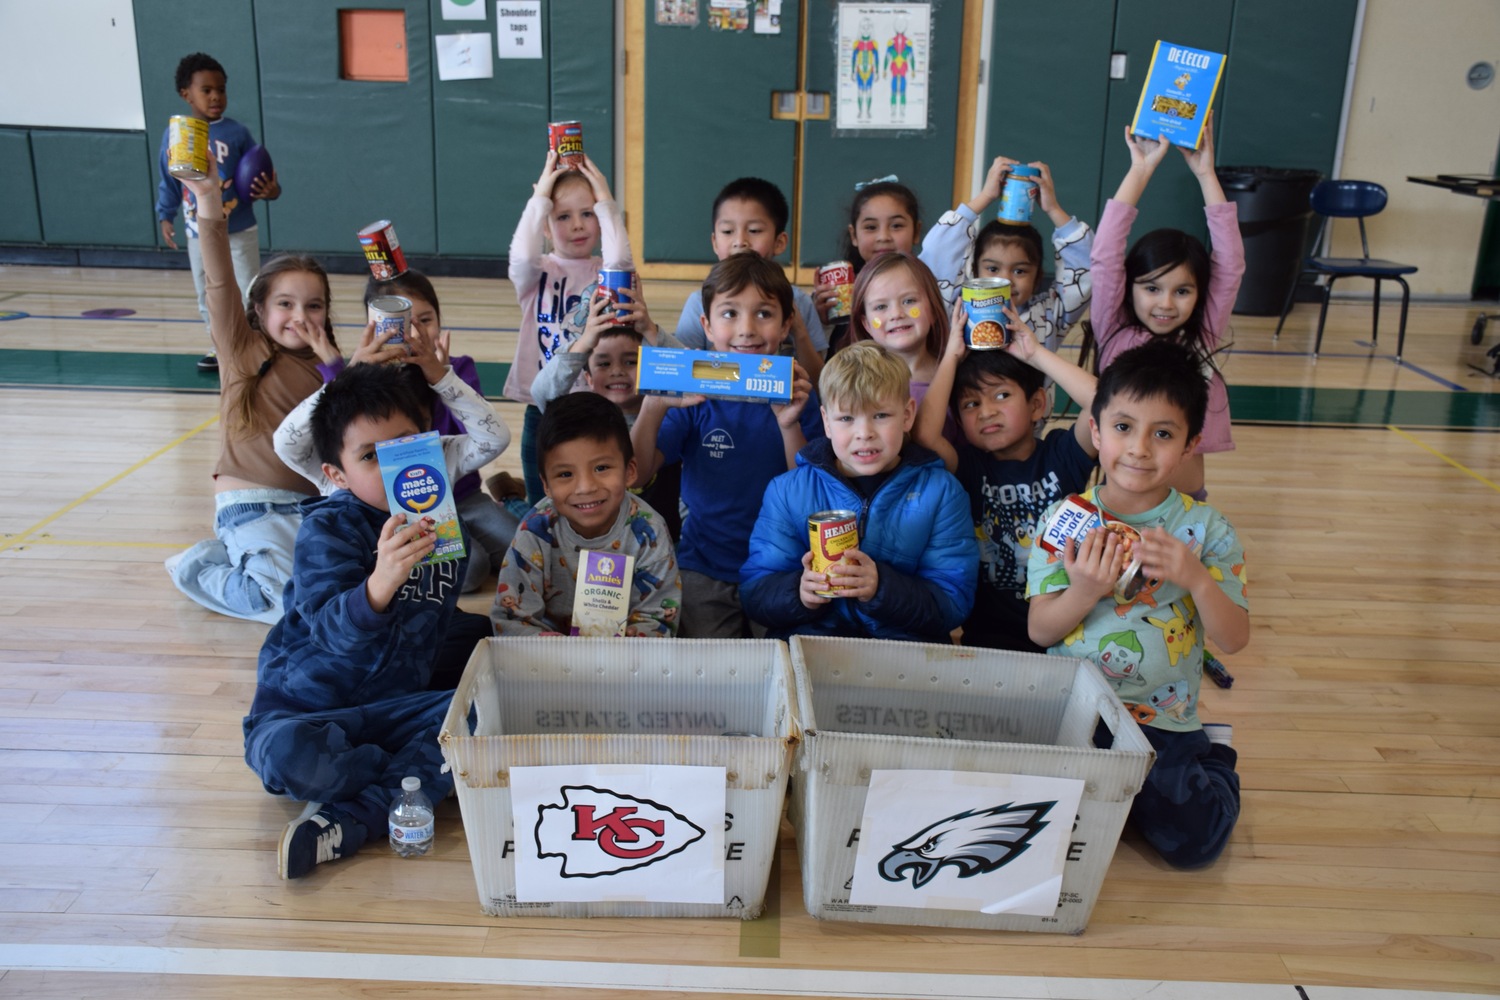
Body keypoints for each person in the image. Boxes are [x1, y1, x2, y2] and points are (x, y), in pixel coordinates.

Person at [244, 363, 497, 879]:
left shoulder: (444, 527)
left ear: (432, 444)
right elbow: (330, 631)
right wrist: (380, 582)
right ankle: (404, 785)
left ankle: (349, 818)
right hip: (306, 712)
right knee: (287, 755)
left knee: (486, 710)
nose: (394, 467)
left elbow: (431, 625)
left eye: (406, 446)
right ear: (335, 476)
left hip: (393, 707)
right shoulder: (329, 527)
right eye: (369, 457)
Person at [1026, 339, 1249, 869]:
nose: (1140, 448)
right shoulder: (1066, 517)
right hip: (1071, 714)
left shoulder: (1206, 529)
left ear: (1191, 444)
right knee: (1043, 833)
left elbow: (1234, 639)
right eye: (1123, 427)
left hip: (1161, 720)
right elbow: (1039, 632)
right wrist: (1083, 590)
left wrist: (1195, 578)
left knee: (1191, 848)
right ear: (1097, 430)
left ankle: (1213, 759)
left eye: (1163, 434)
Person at [286, 269, 518, 593]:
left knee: (525, 547)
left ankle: (510, 501)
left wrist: (441, 376)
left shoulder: (451, 374)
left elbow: (491, 436)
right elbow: (290, 441)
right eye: (401, 325)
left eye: (425, 320)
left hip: (463, 495)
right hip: (407, 523)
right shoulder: (344, 464)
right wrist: (349, 371)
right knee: (470, 568)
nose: (414, 333)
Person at [163, 164, 324, 624]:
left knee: (328, 598)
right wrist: (209, 200)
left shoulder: (330, 369)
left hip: (309, 511)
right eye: (285, 304)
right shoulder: (241, 347)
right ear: (259, 309)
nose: (299, 316)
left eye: (313, 305)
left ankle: (247, 556)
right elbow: (218, 279)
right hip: (250, 507)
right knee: (282, 607)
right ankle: (198, 566)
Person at [631, 252, 820, 638]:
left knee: (781, 657)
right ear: (707, 326)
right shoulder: (694, 396)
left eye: (764, 314)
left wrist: (788, 424)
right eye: (730, 313)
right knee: (708, 672)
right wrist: (653, 405)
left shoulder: (800, 396)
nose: (746, 329)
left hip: (781, 562)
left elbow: (807, 494)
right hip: (705, 562)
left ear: (786, 325)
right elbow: (638, 471)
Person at [740, 341, 976, 641]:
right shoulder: (787, 492)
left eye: (880, 416)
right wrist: (800, 593)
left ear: (907, 415)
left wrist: (882, 588)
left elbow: (954, 601)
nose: (864, 433)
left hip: (904, 657)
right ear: (826, 422)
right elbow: (754, 593)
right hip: (812, 651)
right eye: (846, 419)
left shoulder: (942, 493)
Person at [914, 299, 1100, 652]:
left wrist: (1034, 354)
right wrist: (951, 357)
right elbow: (924, 436)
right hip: (988, 635)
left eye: (1002, 395)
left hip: (1065, 629)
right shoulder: (969, 466)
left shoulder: (1062, 455)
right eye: (971, 404)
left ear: (1037, 405)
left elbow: (1105, 404)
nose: (987, 412)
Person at [1089, 113, 1243, 501]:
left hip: (1186, 509)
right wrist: (1139, 170)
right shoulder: (1113, 327)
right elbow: (1106, 254)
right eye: (1152, 287)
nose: (1166, 304)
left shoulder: (1202, 335)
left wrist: (1206, 175)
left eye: (1182, 291)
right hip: (1121, 506)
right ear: (1131, 287)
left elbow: (1230, 263)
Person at [491, 392, 681, 638]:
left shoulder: (649, 529)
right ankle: (510, 499)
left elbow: (660, 615)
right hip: (548, 661)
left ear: (630, 471)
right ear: (546, 485)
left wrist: (636, 639)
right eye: (565, 474)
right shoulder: (534, 531)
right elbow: (510, 617)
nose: (586, 487)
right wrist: (543, 645)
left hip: (623, 661)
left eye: (601, 468)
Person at [502, 151, 629, 512]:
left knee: (587, 494)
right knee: (540, 504)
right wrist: (540, 197)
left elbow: (621, 259)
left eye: (588, 213)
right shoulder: (535, 274)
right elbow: (521, 255)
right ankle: (510, 501)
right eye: (563, 216)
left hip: (594, 403)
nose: (578, 225)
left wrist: (605, 197)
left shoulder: (607, 271)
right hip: (543, 405)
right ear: (546, 224)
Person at [154, 52, 280, 372]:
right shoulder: (175, 135)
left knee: (250, 287)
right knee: (206, 290)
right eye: (206, 90)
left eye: (221, 89)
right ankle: (219, 346)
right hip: (198, 232)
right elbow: (168, 179)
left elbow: (262, 178)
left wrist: (272, 191)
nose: (215, 96)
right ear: (186, 94)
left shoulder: (237, 134)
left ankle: (257, 343)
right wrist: (165, 214)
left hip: (239, 227)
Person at [530, 285, 684, 540]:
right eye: (603, 363)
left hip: (655, 542)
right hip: (588, 536)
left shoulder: (669, 414)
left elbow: (691, 375)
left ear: (651, 367)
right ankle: (510, 498)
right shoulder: (582, 420)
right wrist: (584, 343)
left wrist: (650, 330)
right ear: (587, 377)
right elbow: (542, 394)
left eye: (630, 361)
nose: (617, 371)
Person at [813, 165, 1012, 345]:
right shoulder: (846, 291)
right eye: (871, 227)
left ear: (916, 231)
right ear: (853, 235)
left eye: (897, 226)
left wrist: (986, 196)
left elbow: (944, 240)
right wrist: (823, 321)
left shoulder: (927, 274)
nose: (883, 237)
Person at [672, 177, 826, 382]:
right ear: (715, 242)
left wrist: (798, 329)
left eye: (754, 231)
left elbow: (819, 384)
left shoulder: (799, 301)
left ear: (779, 242)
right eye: (728, 231)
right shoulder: (699, 302)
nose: (740, 242)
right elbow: (682, 371)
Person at [967, 158, 1094, 358]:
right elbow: (939, 254)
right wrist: (984, 197)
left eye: (1019, 271)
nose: (1005, 280)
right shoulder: (960, 312)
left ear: (1037, 277)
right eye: (992, 269)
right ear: (975, 272)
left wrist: (1053, 209)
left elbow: (1086, 265)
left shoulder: (1050, 314)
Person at [844, 251, 949, 416]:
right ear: (867, 324)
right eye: (881, 307)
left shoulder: (957, 375)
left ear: (934, 310)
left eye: (909, 301)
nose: (896, 314)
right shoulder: (854, 383)